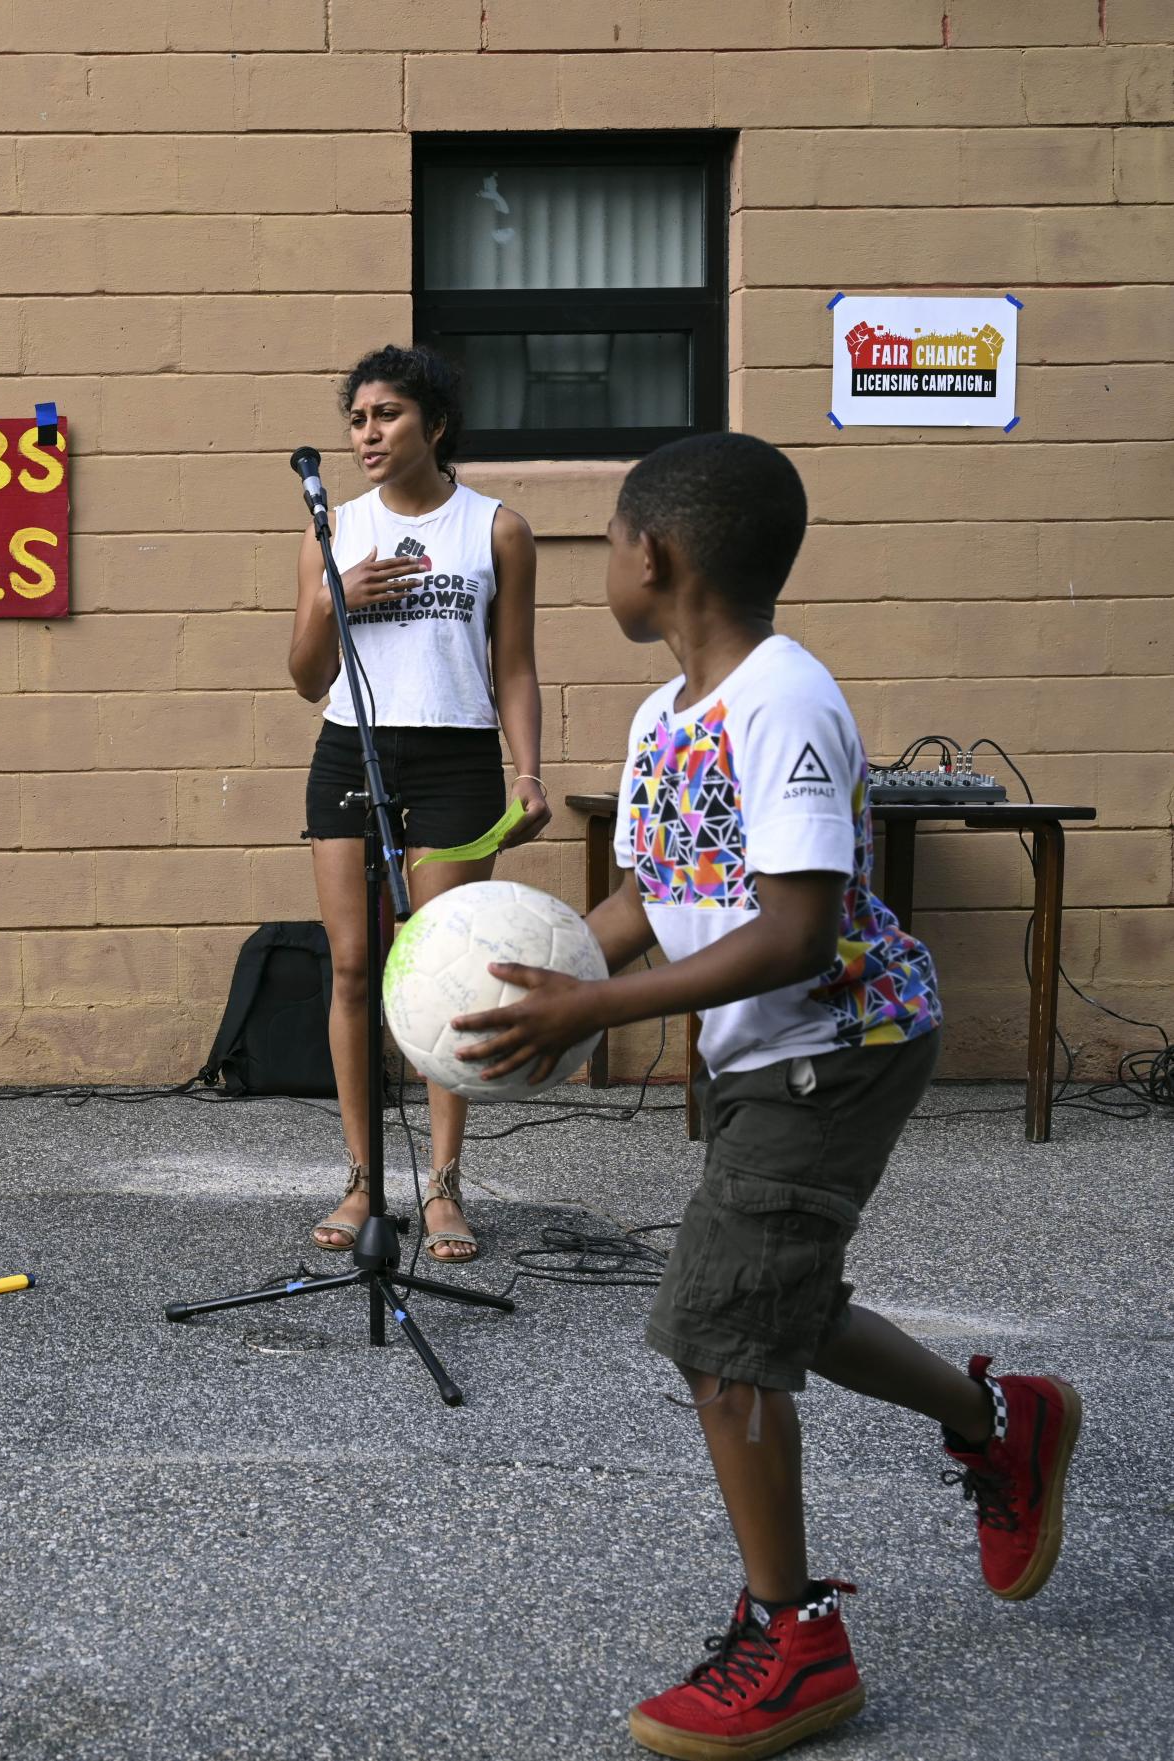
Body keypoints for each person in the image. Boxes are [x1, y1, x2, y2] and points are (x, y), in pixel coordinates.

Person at [454, 432, 1080, 1760]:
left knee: (718, 1325)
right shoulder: (663, 713)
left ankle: (793, 1640)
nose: (604, 566)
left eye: (611, 543)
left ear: (656, 555)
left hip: (836, 1042)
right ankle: (1003, 1422)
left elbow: (796, 928)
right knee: (772, 1292)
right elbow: (650, 894)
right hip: (763, 1051)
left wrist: (595, 1013)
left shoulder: (782, 698)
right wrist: (541, 985)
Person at [288, 343, 550, 1264]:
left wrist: (528, 771)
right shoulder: (336, 532)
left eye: (387, 415)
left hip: (455, 758)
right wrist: (333, 599)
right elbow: (304, 676)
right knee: (355, 969)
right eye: (357, 419)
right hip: (350, 747)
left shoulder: (496, 529)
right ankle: (362, 1180)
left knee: (443, 973)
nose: (367, 433)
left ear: (434, 424)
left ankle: (443, 1184)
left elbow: (512, 664)